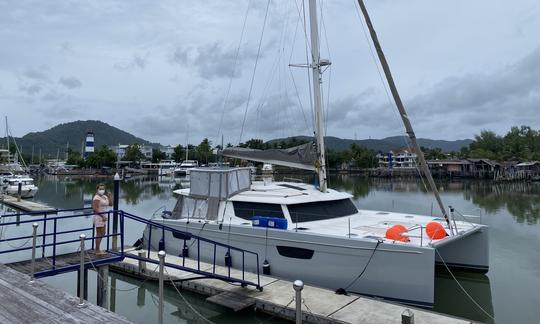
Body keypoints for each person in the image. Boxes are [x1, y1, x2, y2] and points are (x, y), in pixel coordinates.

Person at [92, 183, 113, 255]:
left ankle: (97, 249)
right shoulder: (96, 197)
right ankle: (97, 250)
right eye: (100, 189)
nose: (102, 190)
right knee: (99, 234)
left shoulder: (104, 196)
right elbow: (95, 209)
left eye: (103, 189)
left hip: (104, 217)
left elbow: (110, 204)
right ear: (97, 189)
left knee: (103, 233)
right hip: (98, 216)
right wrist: (102, 216)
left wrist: (110, 196)